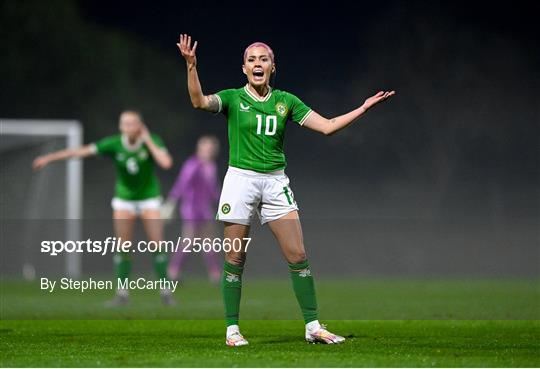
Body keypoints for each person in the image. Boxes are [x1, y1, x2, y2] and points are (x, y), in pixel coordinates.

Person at [177, 34, 395, 346]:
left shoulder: (286, 102)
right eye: (251, 59)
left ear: (272, 67)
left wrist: (363, 108)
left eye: (263, 59)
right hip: (240, 179)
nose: (257, 63)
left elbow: (328, 126)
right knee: (235, 258)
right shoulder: (233, 99)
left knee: (298, 254)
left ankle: (313, 327)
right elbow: (198, 101)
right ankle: (232, 330)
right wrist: (191, 66)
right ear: (243, 68)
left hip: (276, 182)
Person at [33, 110, 176, 306]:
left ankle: (166, 292)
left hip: (149, 198)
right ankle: (122, 294)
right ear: (120, 126)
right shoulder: (114, 143)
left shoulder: (153, 141)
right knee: (123, 246)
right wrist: (49, 158)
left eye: (132, 123)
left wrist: (148, 139)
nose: (128, 127)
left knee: (157, 245)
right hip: (124, 199)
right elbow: (79, 152)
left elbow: (166, 163)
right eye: (124, 123)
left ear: (140, 126)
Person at [163, 135, 221, 283]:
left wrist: (223, 204)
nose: (209, 150)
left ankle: (214, 273)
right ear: (199, 148)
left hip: (205, 208)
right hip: (191, 208)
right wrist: (171, 201)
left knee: (208, 241)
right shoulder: (193, 164)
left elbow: (213, 190)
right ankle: (173, 271)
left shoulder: (211, 166)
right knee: (188, 240)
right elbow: (182, 183)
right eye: (206, 147)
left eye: (211, 148)